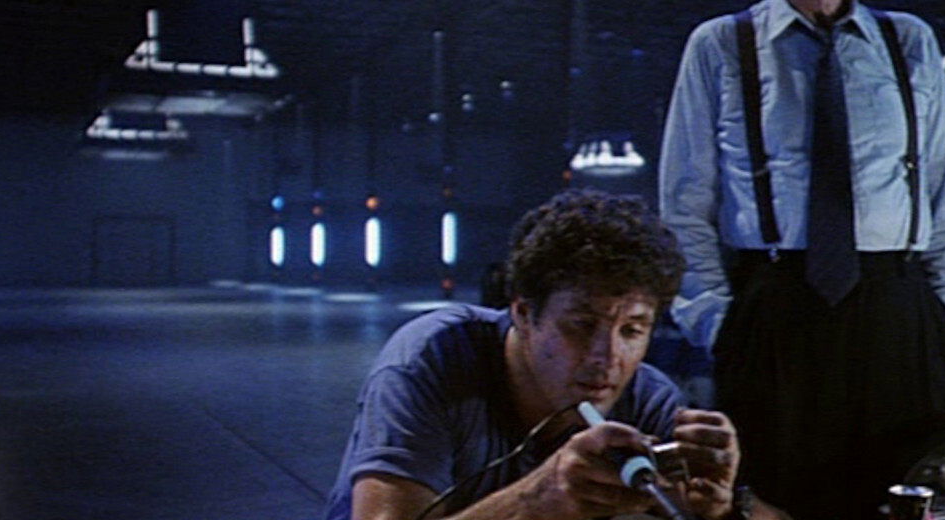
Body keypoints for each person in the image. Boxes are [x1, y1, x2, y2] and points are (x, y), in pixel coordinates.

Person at [659, 0, 945, 519]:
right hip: (775, 311)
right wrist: (719, 323)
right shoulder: (720, 45)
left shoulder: (909, 42)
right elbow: (684, 204)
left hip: (897, 313)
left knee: (906, 502)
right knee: (773, 504)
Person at [323, 188, 785, 520]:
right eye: (581, 325)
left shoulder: (646, 398)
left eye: (632, 330)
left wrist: (726, 505)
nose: (607, 357)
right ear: (524, 314)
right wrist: (539, 497)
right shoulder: (434, 358)